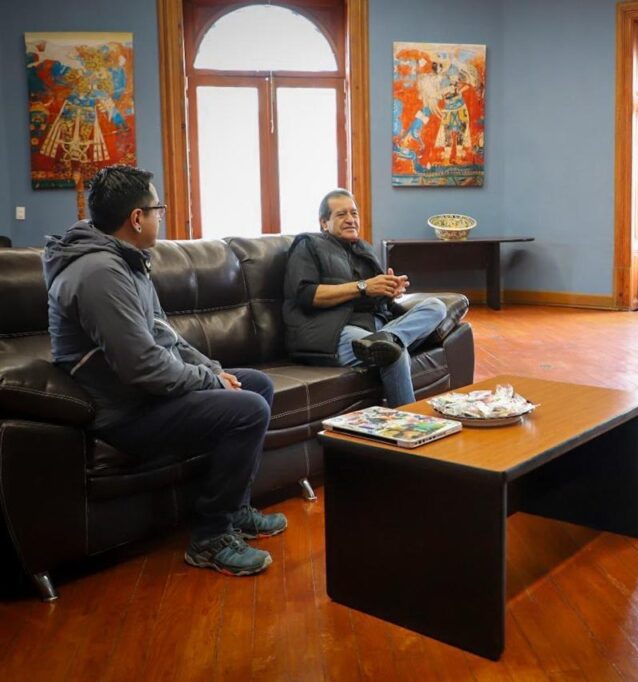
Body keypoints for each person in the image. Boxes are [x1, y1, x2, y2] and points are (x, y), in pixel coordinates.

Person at [44, 165, 286, 577]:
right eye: (158, 209)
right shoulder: (99, 273)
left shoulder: (127, 260)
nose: (162, 217)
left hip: (148, 397)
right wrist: (211, 381)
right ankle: (210, 538)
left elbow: (164, 334)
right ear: (137, 218)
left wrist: (212, 369)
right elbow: (142, 367)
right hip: (125, 413)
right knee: (248, 409)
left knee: (256, 384)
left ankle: (235, 510)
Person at [283, 189, 448, 407]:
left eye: (354, 213)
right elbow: (305, 295)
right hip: (330, 331)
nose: (350, 219)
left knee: (436, 306)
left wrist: (389, 292)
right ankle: (409, 421)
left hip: (374, 327)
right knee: (393, 353)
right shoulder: (308, 245)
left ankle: (387, 338)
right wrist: (364, 287)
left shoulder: (364, 249)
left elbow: (377, 300)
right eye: (341, 214)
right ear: (324, 223)